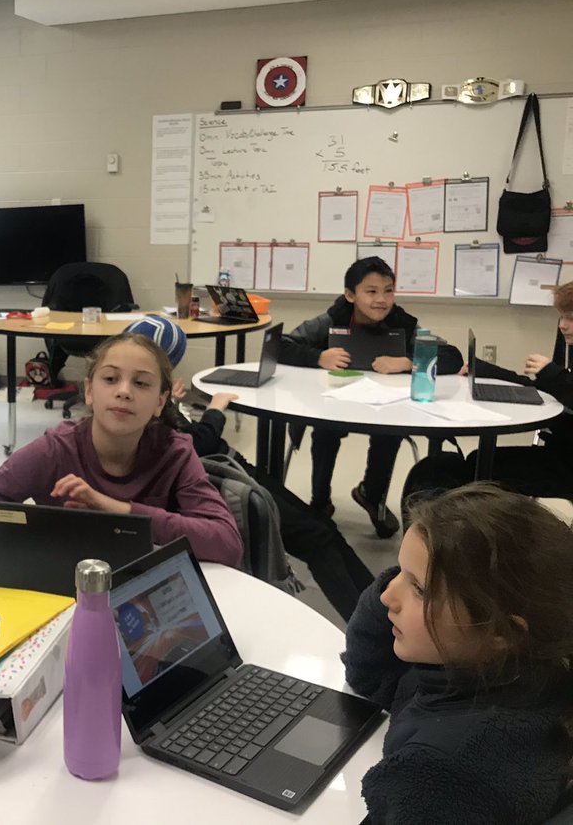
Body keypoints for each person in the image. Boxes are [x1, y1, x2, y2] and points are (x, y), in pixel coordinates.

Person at [341, 483, 573, 824]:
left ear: (501, 632)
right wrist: (410, 575)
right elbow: (367, 677)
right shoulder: (512, 667)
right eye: (398, 571)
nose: (387, 596)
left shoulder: (436, 773)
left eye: (419, 589)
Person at [0, 327, 243, 566]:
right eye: (110, 378)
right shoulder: (56, 449)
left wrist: (118, 511)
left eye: (141, 383)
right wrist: (55, 530)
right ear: (89, 391)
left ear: (160, 402)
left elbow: (227, 543)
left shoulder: (175, 451)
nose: (124, 391)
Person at [280, 257, 461, 538]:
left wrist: (408, 362)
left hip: (384, 405)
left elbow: (452, 355)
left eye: (388, 291)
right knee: (325, 431)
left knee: (389, 431)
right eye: (371, 291)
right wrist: (318, 357)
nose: (381, 300)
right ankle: (320, 502)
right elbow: (282, 345)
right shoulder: (333, 318)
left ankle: (372, 495)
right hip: (334, 402)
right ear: (350, 295)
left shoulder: (402, 322)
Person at [167, 378, 374, 621]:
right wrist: (214, 411)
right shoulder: (150, 425)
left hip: (231, 468)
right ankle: (370, 628)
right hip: (223, 479)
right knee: (318, 538)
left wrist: (169, 403)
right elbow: (198, 444)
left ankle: (379, 610)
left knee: (324, 529)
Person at [402, 282, 573, 510]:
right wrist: (485, 370)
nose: (562, 325)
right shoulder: (567, 348)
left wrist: (555, 375)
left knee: (475, 468)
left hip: (566, 464)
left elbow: (560, 390)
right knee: (462, 464)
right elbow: (541, 389)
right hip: (559, 450)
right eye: (561, 316)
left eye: (571, 318)